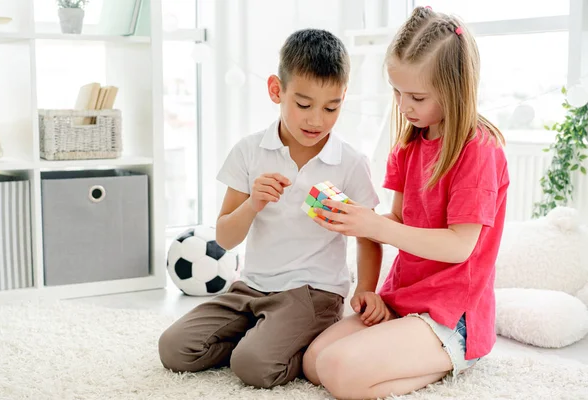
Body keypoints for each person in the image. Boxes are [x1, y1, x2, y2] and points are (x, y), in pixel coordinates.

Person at [302, 6, 510, 399]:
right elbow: (398, 218)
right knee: (315, 363)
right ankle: (406, 354)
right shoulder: (411, 143)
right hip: (406, 299)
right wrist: (353, 219)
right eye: (396, 92)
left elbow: (458, 246)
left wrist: (376, 226)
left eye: (416, 96)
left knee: (338, 371)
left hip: (452, 315)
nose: (403, 105)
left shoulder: (479, 150)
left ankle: (455, 359)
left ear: (454, 89)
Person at [157, 28, 381, 389]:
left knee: (254, 368)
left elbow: (369, 235)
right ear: (277, 90)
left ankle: (269, 342)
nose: (316, 120)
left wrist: (366, 289)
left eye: (332, 107)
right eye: (304, 104)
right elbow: (226, 238)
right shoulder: (249, 151)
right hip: (251, 287)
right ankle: (262, 337)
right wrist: (253, 203)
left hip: (312, 292)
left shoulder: (350, 162)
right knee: (174, 349)